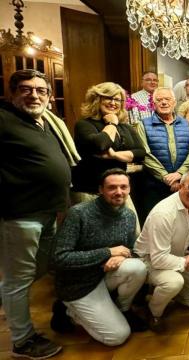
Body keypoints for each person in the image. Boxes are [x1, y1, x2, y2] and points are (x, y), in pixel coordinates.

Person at [1, 69, 79, 359]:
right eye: (26, 89)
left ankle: (8, 298)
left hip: (48, 212)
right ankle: (22, 341)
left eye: (41, 90)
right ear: (13, 92)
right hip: (21, 214)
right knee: (18, 278)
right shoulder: (4, 119)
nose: (34, 95)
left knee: (42, 266)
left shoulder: (40, 121)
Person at [53, 169, 147, 346]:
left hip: (104, 276)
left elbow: (133, 249)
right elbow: (60, 258)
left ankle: (123, 310)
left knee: (138, 267)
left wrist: (124, 256)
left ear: (129, 189)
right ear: (100, 190)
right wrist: (107, 252)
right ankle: (67, 311)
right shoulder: (79, 214)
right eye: (112, 187)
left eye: (123, 187)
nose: (118, 192)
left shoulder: (128, 215)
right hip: (78, 284)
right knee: (118, 336)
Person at [134, 171, 189, 331]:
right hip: (149, 260)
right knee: (174, 282)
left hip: (177, 256)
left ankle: (157, 293)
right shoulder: (163, 213)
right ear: (180, 187)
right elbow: (159, 259)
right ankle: (153, 312)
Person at [72, 82, 145, 225]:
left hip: (119, 190)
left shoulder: (125, 127)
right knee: (93, 235)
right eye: (108, 98)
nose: (113, 103)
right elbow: (100, 144)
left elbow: (141, 153)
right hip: (90, 191)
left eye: (117, 99)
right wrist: (111, 124)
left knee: (132, 230)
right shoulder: (84, 125)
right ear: (97, 99)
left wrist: (114, 155)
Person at [136, 87, 189, 224]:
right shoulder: (143, 125)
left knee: (180, 223)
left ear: (174, 102)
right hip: (153, 186)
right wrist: (165, 177)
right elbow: (145, 154)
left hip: (182, 185)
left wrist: (179, 174)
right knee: (155, 223)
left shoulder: (186, 124)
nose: (164, 102)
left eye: (167, 99)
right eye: (159, 100)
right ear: (153, 104)